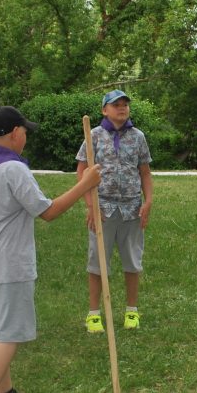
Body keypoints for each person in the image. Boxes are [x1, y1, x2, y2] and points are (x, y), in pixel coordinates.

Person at [0, 106, 102, 393]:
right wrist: (86, 183)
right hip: (10, 265)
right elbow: (48, 212)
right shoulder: (13, 171)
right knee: (10, 335)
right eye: (24, 131)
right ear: (14, 134)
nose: (25, 136)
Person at [75, 90, 153, 333]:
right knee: (98, 261)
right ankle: (94, 314)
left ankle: (131, 311)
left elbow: (145, 172)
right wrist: (90, 204)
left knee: (132, 260)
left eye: (125, 105)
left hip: (131, 208)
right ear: (104, 110)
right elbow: (81, 172)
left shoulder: (138, 137)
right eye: (115, 105)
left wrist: (148, 201)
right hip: (103, 208)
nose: (121, 109)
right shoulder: (94, 136)